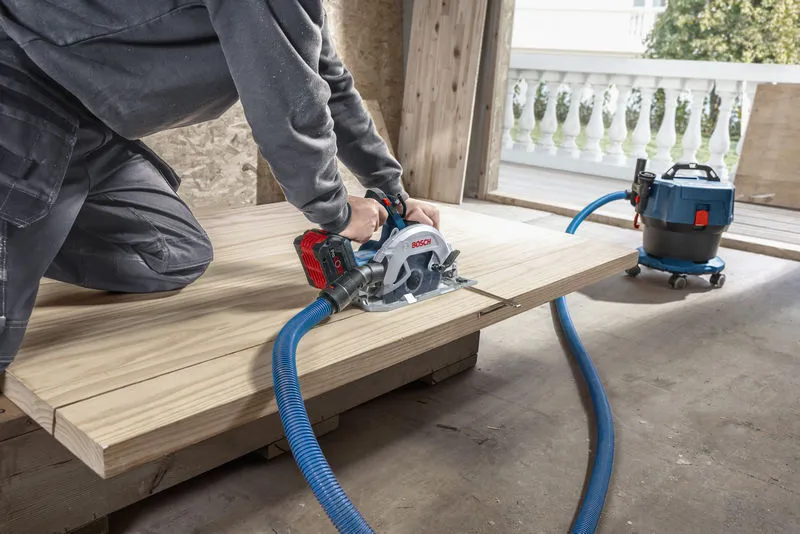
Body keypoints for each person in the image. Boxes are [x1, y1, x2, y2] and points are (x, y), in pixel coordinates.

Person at [0, 1, 440, 370]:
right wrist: (336, 211)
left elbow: (329, 84)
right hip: (19, 87)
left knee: (174, 255)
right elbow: (288, 102)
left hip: (92, 125)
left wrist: (392, 190)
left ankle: (30, 237)